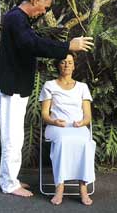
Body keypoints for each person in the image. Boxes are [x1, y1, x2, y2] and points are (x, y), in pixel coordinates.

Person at [0, 0, 94, 198]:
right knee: (13, 138)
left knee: (15, 136)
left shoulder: (18, 17)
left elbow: (30, 23)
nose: (44, 11)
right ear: (36, 0)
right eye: (45, 7)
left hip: (15, 84)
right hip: (12, 86)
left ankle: (10, 178)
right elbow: (34, 44)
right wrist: (68, 46)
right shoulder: (16, 20)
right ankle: (9, 183)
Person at [39, 52, 96, 205]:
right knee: (64, 141)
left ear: (74, 66)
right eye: (63, 62)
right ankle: (60, 188)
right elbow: (44, 114)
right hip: (56, 126)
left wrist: (82, 123)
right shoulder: (49, 85)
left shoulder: (82, 87)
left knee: (84, 142)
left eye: (70, 62)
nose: (67, 65)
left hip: (77, 126)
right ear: (58, 65)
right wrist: (54, 121)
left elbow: (88, 116)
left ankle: (83, 189)